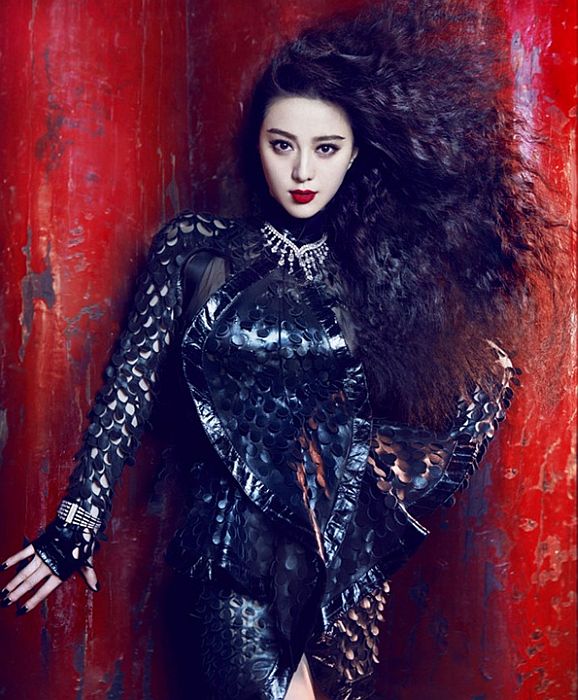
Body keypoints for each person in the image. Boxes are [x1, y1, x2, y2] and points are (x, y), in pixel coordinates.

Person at [0, 4, 560, 699]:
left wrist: (375, 473)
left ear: (354, 154)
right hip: (233, 565)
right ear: (256, 144)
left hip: (340, 580)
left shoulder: (373, 276)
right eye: (282, 143)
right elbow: (128, 391)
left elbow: (487, 376)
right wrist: (75, 527)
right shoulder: (197, 251)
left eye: (325, 148)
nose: (301, 169)